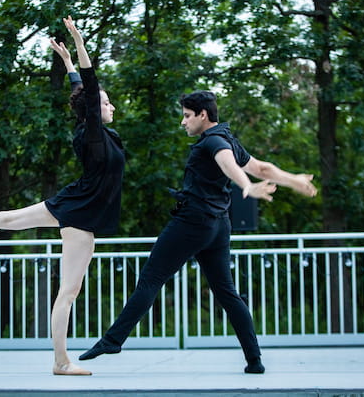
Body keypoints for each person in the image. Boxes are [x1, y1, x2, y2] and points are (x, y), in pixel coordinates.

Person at [0, 16, 125, 376]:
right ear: (93, 109)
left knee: (10, 219)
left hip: (75, 201)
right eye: (106, 104)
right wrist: (77, 41)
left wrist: (67, 65)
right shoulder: (92, 132)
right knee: (69, 292)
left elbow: (81, 88)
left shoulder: (87, 130)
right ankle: (61, 361)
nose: (110, 107)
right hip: (82, 213)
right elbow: (90, 87)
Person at [78, 90, 317, 374]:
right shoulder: (228, 138)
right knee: (227, 293)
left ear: (203, 115)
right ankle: (254, 360)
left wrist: (245, 185)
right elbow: (262, 167)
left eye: (187, 116)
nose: (183, 122)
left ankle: (112, 340)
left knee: (151, 279)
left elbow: (227, 163)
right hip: (217, 226)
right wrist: (294, 180)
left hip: (192, 223)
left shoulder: (215, 141)